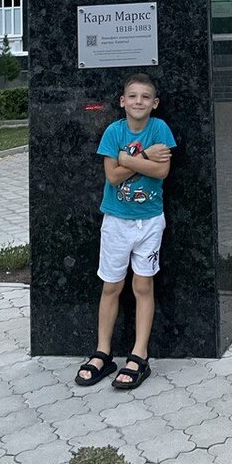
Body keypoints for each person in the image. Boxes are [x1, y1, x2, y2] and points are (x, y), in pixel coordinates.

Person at [74, 72, 176, 389]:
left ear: (155, 103)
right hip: (116, 221)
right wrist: (144, 155)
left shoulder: (160, 129)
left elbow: (162, 170)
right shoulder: (113, 131)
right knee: (111, 286)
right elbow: (113, 178)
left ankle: (139, 354)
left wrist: (126, 158)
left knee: (143, 287)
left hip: (149, 221)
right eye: (132, 96)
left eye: (145, 97)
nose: (138, 102)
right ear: (122, 101)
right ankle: (103, 352)